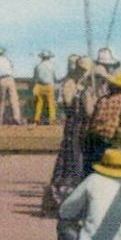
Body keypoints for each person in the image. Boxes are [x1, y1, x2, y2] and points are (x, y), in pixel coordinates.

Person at [48, 55, 96, 208]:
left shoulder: (79, 84)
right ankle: (65, 188)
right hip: (75, 123)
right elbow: (69, 104)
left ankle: (67, 187)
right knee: (72, 154)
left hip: (78, 124)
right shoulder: (70, 83)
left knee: (75, 153)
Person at [84, 72, 121, 173]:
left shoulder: (103, 99)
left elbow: (94, 115)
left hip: (93, 133)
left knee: (91, 159)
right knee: (105, 160)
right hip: (108, 135)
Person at [0, 46, 22, 125]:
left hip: (1, 80)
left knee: (2, 100)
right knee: (14, 99)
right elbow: (11, 67)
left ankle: (0, 120)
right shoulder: (7, 59)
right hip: (10, 78)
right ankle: (16, 117)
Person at [31, 51, 58, 124]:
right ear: (49, 57)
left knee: (39, 103)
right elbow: (55, 77)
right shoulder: (52, 66)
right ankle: (52, 119)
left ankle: (36, 119)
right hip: (49, 86)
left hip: (39, 86)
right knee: (51, 103)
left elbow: (35, 77)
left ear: (42, 58)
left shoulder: (38, 66)